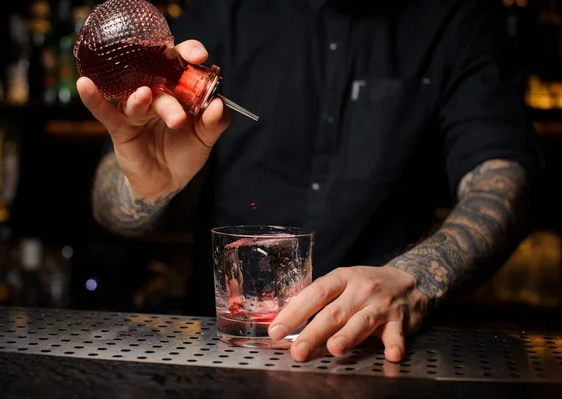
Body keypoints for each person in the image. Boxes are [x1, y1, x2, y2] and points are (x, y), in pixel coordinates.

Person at [77, 0, 543, 363]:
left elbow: (503, 180)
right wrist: (144, 187)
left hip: (377, 355)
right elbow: (111, 209)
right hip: (224, 355)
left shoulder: (456, 18)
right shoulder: (223, 10)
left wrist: (414, 278)